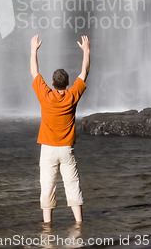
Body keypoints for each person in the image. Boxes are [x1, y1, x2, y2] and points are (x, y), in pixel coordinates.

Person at [30, 34, 90, 225]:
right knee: (72, 185)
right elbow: (85, 72)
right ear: (67, 82)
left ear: (53, 83)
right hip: (66, 149)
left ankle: (47, 226)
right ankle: (78, 222)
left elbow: (34, 72)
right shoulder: (72, 95)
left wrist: (33, 50)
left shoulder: (45, 95)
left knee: (47, 186)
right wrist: (86, 50)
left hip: (47, 149)